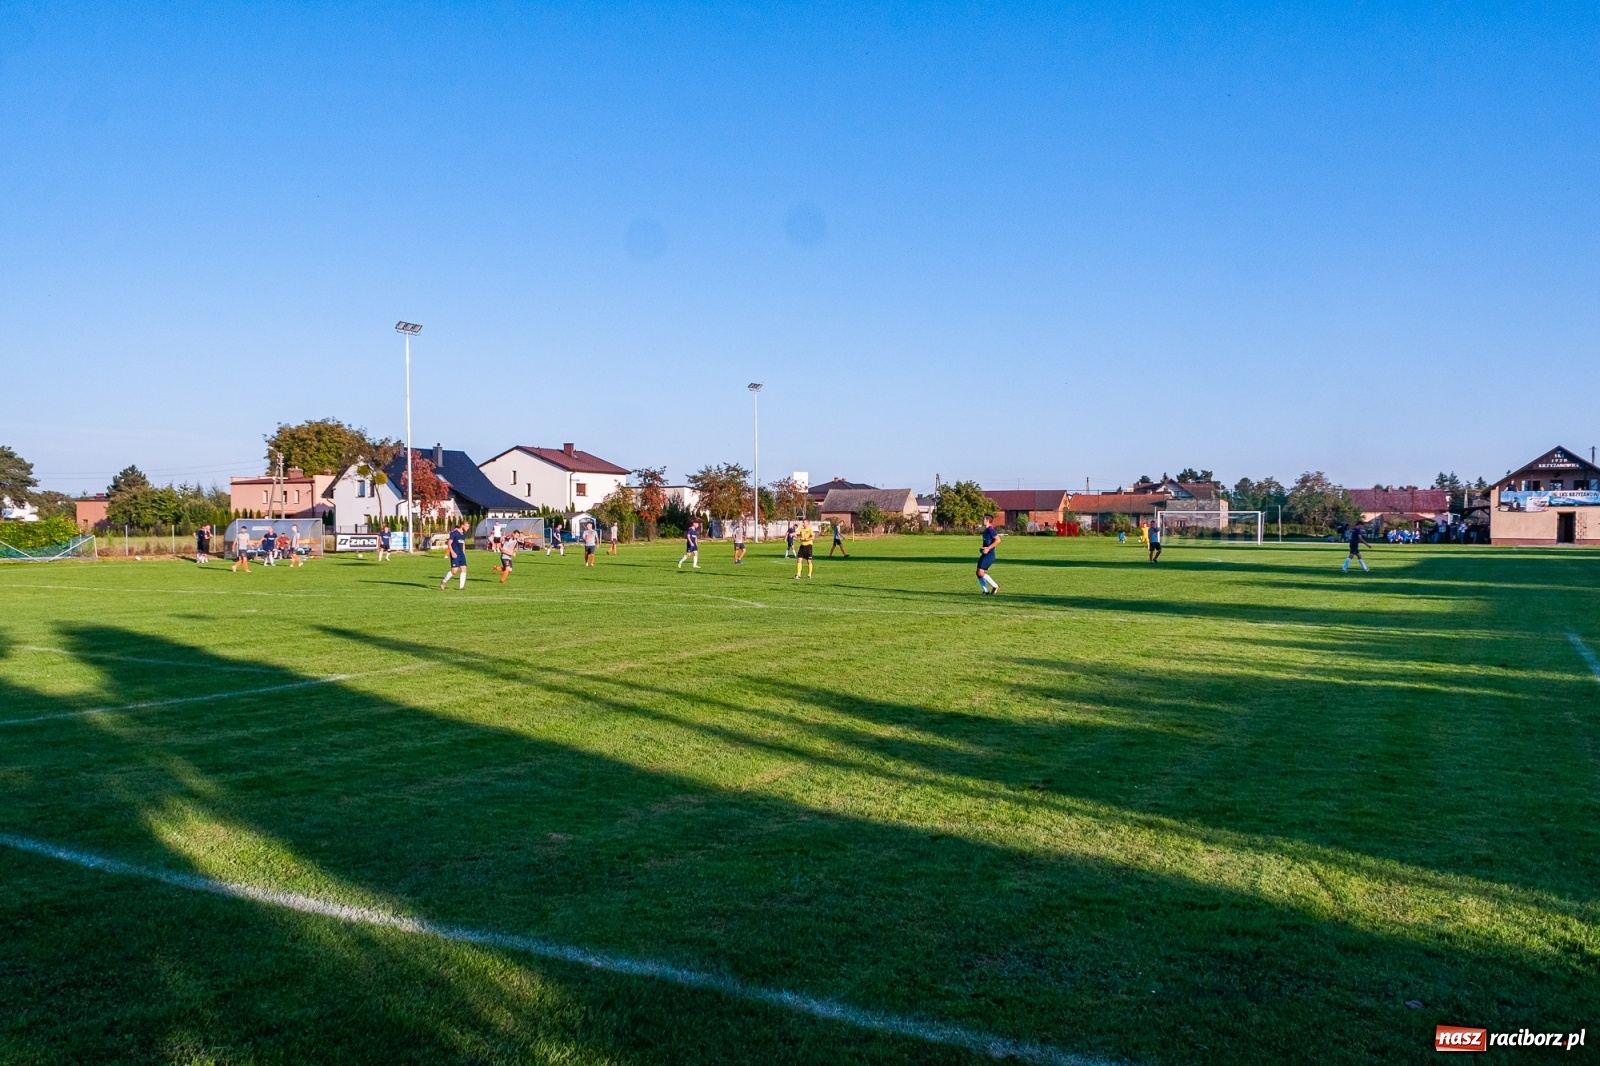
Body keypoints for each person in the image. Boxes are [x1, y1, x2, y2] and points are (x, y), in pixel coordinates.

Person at [439, 520, 469, 589]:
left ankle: (461, 587)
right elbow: (449, 543)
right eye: (466, 526)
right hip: (455, 554)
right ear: (462, 525)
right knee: (454, 571)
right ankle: (443, 582)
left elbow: (463, 543)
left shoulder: (464, 534)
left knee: (464, 569)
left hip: (461, 554)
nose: (467, 528)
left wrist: (464, 553)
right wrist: (452, 552)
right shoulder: (454, 533)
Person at [976, 514, 1001, 594]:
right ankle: (986, 591)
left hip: (989, 555)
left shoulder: (990, 529)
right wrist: (983, 548)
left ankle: (996, 586)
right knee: (978, 573)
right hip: (985, 554)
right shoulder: (986, 530)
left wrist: (988, 548)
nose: (982, 520)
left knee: (980, 572)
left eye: (983, 519)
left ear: (987, 520)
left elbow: (998, 540)